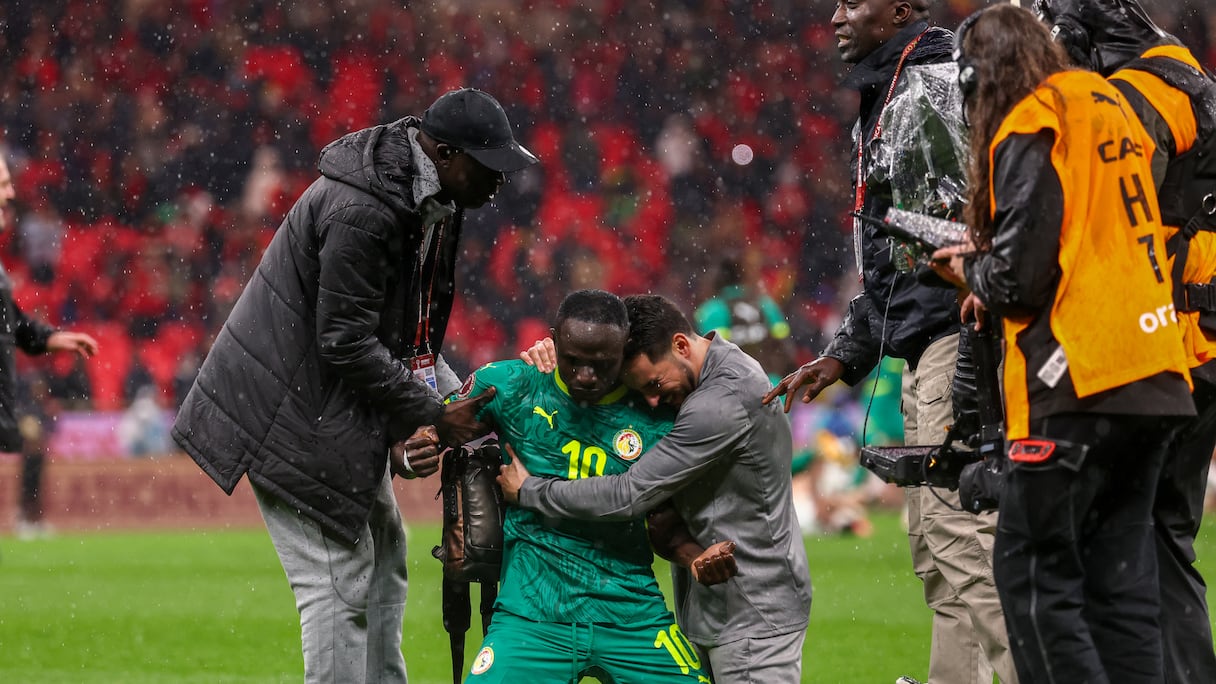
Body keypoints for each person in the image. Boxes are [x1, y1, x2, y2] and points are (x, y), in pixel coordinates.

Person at [170, 88, 537, 684]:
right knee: (337, 580)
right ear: (444, 155)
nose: (499, 182)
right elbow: (344, 341)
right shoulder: (364, 209)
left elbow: (408, 338)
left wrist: (454, 406)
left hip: (324, 405)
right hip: (289, 414)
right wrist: (434, 414)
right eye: (488, 166)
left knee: (386, 552)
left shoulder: (430, 199)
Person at [930, 5, 1195, 681]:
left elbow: (1019, 282)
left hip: (1078, 377)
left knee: (1032, 576)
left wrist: (968, 269)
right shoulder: (1105, 101)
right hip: (1157, 375)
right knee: (1121, 590)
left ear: (981, 76)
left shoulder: (1033, 117)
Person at [764, 2, 1017, 683]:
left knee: (960, 536)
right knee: (936, 544)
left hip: (957, 337)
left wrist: (960, 330)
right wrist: (845, 353)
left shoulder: (930, 84)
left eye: (855, 1)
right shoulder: (896, 84)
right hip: (929, 339)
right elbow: (901, 258)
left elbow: (951, 246)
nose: (837, 16)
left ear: (901, 9)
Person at [1032, 2, 1216, 681]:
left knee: (1125, 533)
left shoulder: (1140, 94)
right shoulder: (1190, 78)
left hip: (1166, 344)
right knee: (1162, 534)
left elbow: (1110, 218)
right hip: (1199, 336)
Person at [500, 294, 811, 684]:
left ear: (681, 345)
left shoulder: (720, 402)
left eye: (654, 384)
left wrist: (531, 491)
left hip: (754, 613)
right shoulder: (711, 369)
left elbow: (629, 495)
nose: (652, 400)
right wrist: (558, 356)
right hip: (725, 604)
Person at [456, 289, 721, 683]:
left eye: (600, 364)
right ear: (554, 341)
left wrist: (695, 557)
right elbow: (431, 429)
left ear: (623, 350)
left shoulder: (657, 415)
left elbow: (661, 526)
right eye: (573, 360)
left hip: (631, 615)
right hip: (532, 616)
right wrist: (420, 444)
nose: (584, 375)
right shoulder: (512, 385)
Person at [0, 153, 100, 530]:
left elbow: (11, 321)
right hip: (19, 390)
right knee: (33, 445)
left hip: (21, 390)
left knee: (35, 445)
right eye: (3, 185)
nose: (10, 194)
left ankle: (30, 516)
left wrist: (50, 338)